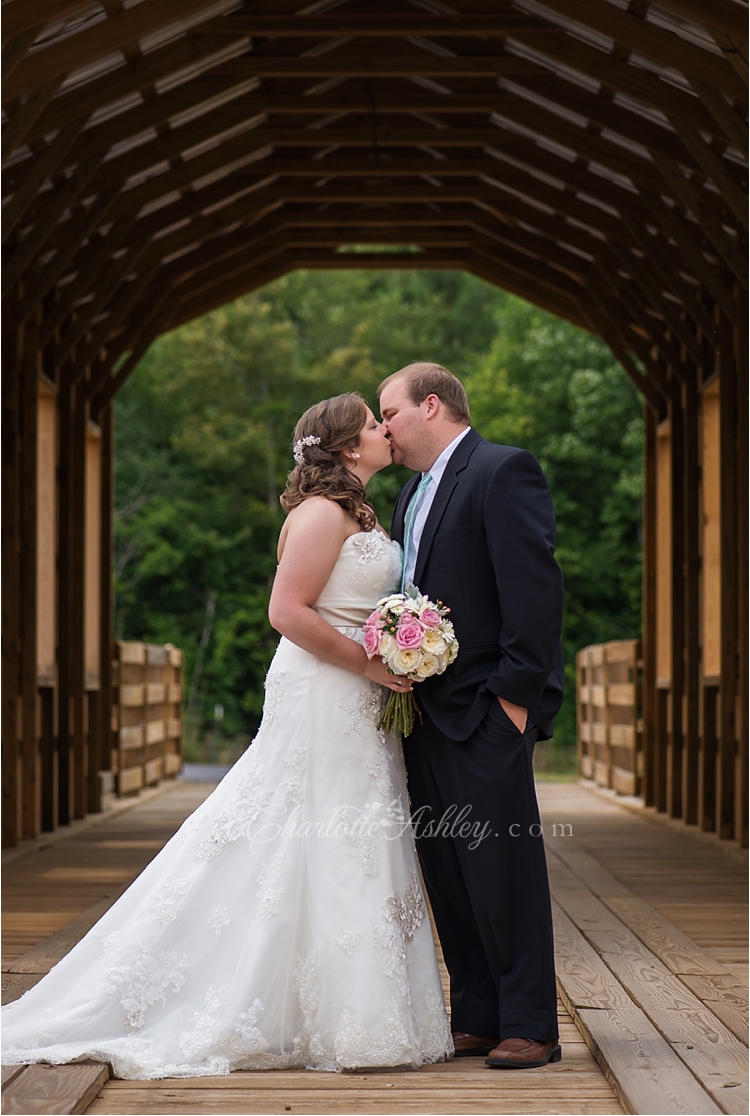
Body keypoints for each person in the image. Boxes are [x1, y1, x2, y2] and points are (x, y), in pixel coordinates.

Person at [1, 393, 453, 1079]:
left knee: (350, 837)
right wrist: (369, 660)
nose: (384, 429)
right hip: (324, 689)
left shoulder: (362, 510)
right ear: (348, 448)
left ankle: (352, 1014)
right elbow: (285, 611)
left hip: (362, 694)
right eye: (372, 424)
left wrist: (397, 647)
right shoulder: (321, 514)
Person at [379, 362, 565, 1070]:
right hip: (422, 715)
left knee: (502, 870)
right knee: (449, 872)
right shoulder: (409, 494)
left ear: (432, 405)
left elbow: (534, 591)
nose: (384, 427)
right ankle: (479, 1016)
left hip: (488, 710)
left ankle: (530, 1024)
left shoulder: (501, 471)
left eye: (389, 412)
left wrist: (514, 703)